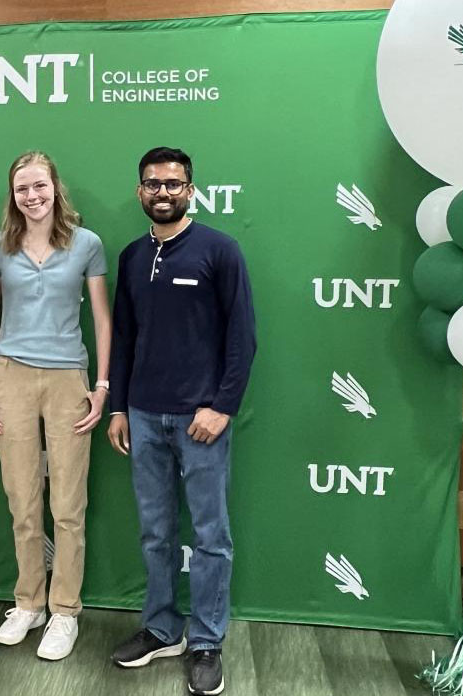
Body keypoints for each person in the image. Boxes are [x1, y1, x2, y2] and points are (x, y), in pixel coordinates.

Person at [106, 147, 256, 696]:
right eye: (152, 183)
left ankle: (207, 641)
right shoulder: (129, 255)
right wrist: (119, 405)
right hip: (143, 416)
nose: (162, 191)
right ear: (140, 190)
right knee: (156, 532)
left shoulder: (219, 250)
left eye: (173, 183)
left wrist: (222, 407)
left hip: (201, 420)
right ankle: (163, 628)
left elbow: (242, 338)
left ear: (190, 189)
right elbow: (123, 337)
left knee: (211, 535)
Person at [0, 151, 112, 660]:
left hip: (67, 381)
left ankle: (65, 611)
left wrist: (101, 386)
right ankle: (29, 601)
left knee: (68, 506)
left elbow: (102, 320)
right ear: (12, 196)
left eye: (39, 186)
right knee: (22, 501)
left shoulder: (87, 245)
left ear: (55, 187)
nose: (31, 197)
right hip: (10, 377)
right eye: (21, 189)